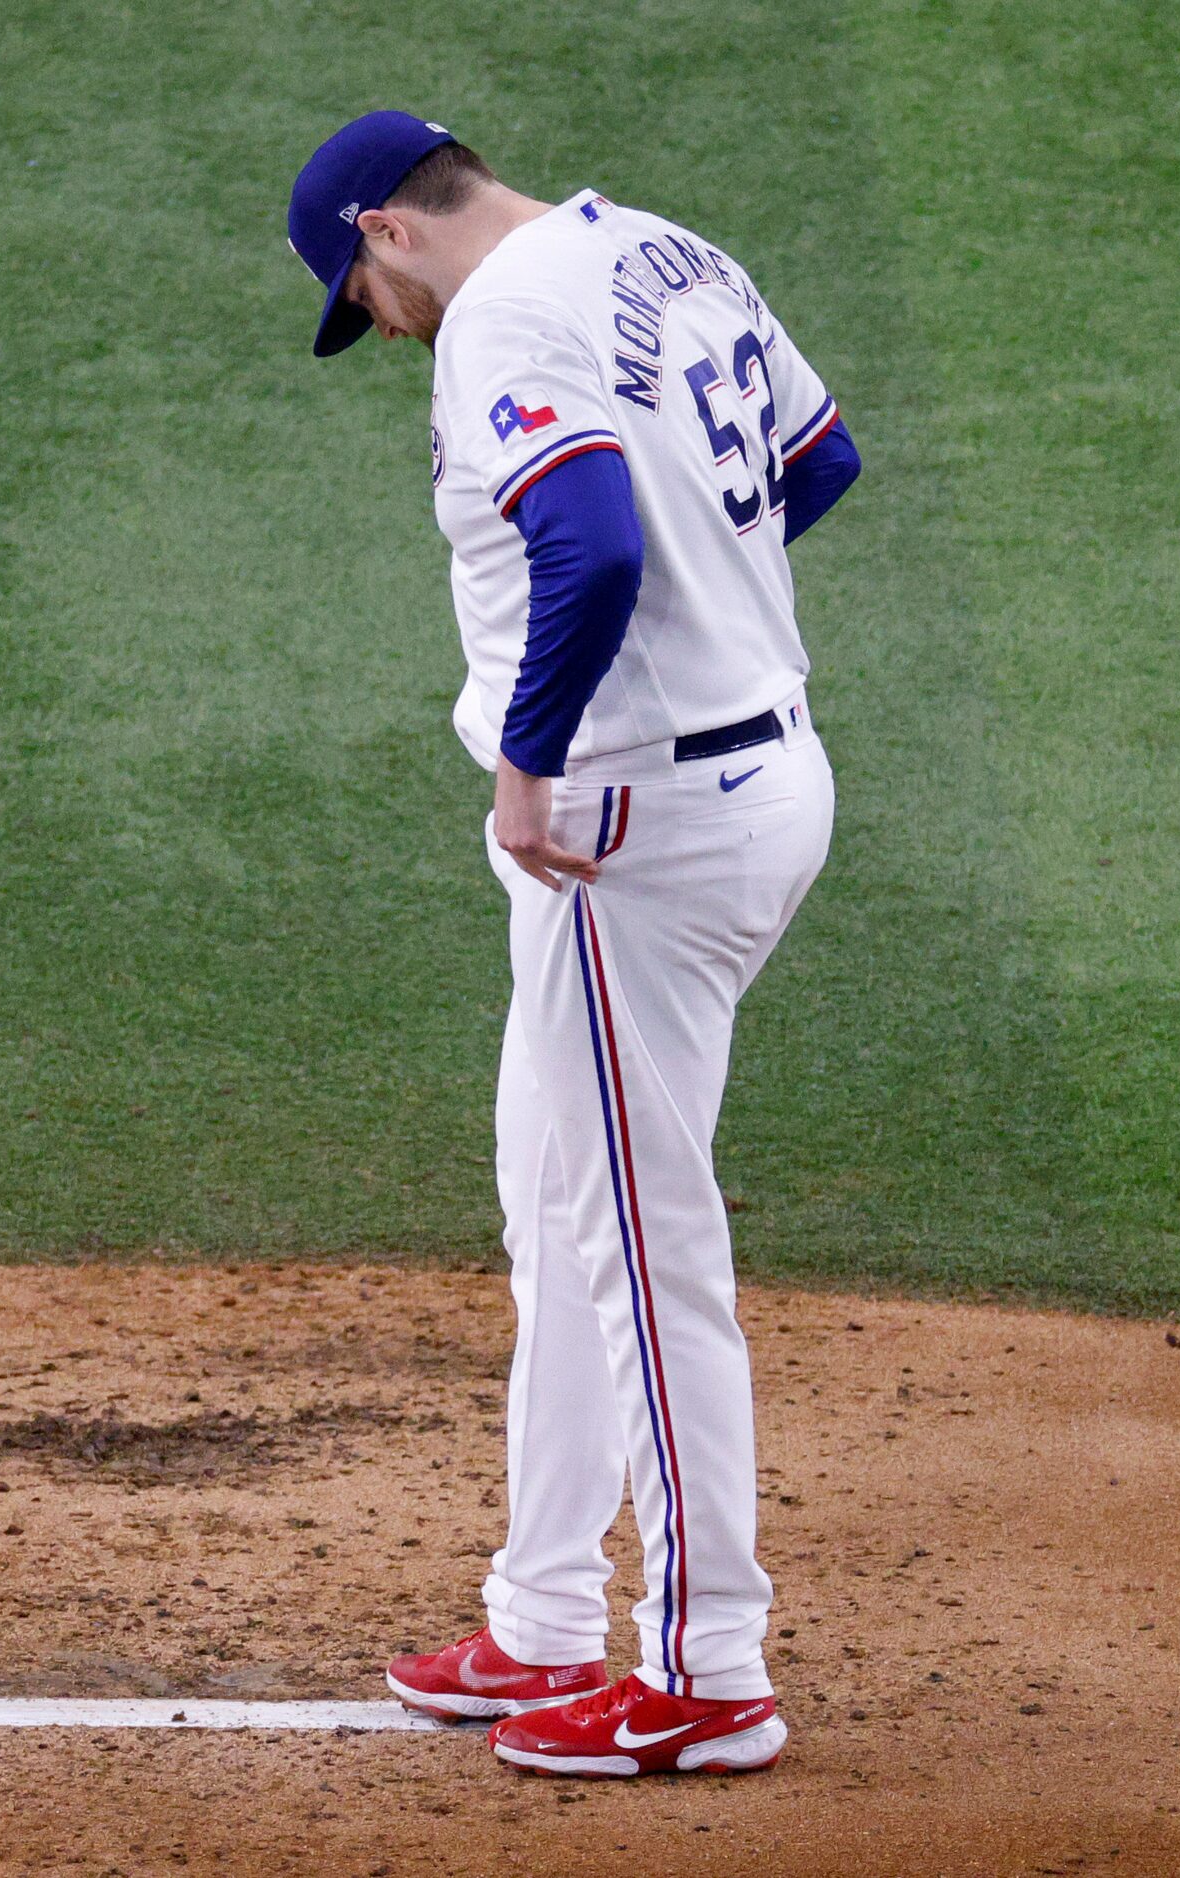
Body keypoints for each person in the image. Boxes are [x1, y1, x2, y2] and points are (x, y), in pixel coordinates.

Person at [282, 111, 861, 1777]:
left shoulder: (504, 315)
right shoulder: (666, 251)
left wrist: (536, 756)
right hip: (751, 774)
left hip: (637, 832)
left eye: (357, 290)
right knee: (557, 1200)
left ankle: (707, 1666)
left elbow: (595, 540)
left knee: (638, 1240)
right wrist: (706, 624)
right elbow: (812, 463)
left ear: (389, 229)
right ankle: (541, 1615)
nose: (377, 330)